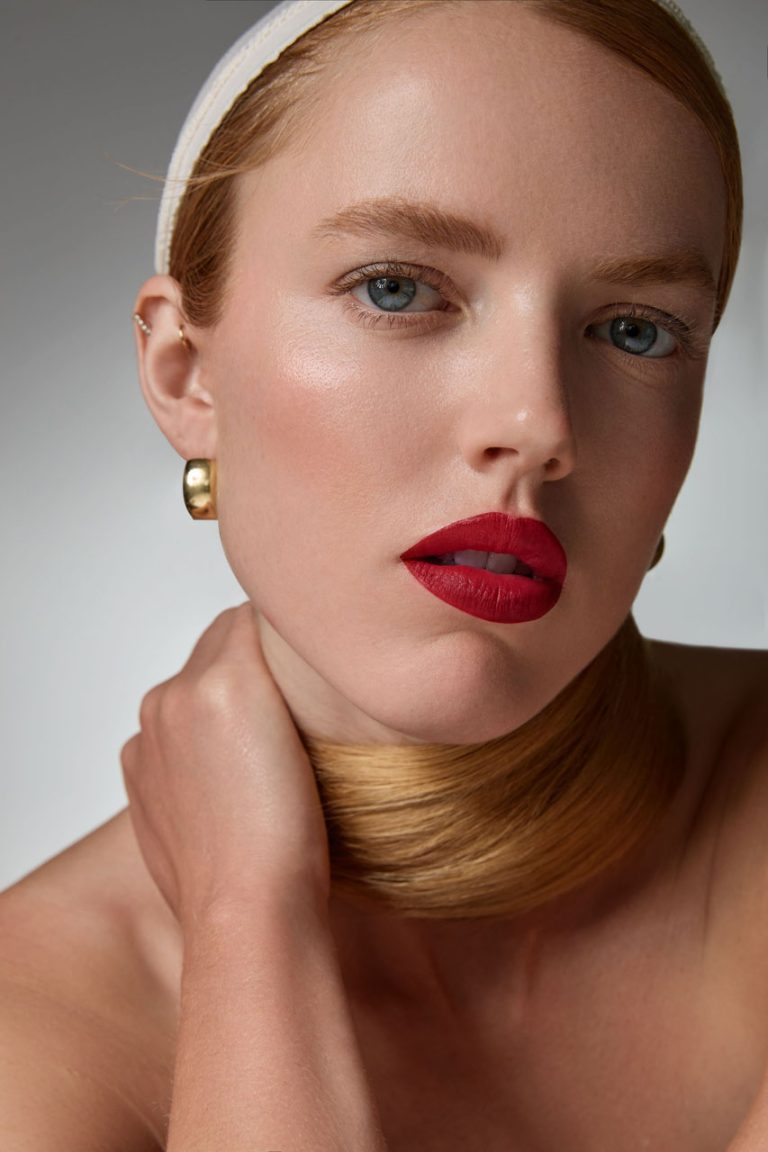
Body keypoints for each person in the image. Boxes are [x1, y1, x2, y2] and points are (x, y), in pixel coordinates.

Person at [1, 0, 766, 1148]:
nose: (538, 426)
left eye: (636, 331)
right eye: (399, 288)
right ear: (186, 375)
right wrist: (252, 925)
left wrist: (246, 925)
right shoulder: (32, 1028)